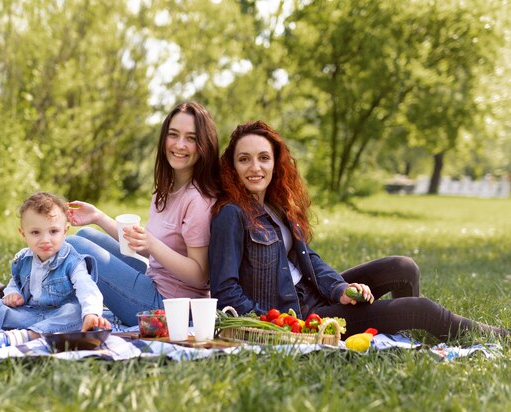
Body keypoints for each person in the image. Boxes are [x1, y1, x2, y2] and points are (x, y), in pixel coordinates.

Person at [209, 120, 509, 340]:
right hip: (298, 314)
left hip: (317, 293)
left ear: (275, 162)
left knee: (403, 267)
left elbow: (308, 259)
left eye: (263, 158)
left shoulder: (276, 206)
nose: (255, 167)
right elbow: (226, 292)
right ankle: (500, 335)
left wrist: (339, 289)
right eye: (244, 159)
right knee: (422, 309)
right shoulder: (231, 215)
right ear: (232, 167)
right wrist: (279, 325)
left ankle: (401, 338)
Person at [66, 101, 220, 326]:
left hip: (171, 308)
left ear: (204, 145)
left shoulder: (198, 200)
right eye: (173, 134)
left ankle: (41, 300)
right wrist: (98, 217)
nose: (179, 144)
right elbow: (142, 245)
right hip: (153, 282)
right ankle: (46, 297)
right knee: (85, 236)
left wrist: (152, 244)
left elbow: (200, 275)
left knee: (76, 247)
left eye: (191, 138)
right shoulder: (165, 190)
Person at [0, 192, 111, 348]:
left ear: (65, 231)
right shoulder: (23, 259)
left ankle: (22, 337)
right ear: (23, 234)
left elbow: (87, 287)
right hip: (29, 313)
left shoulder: (72, 261)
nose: (45, 240)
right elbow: (15, 282)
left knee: (75, 311)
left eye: (53, 231)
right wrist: (13, 293)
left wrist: (92, 314)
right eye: (35, 233)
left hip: (59, 317)